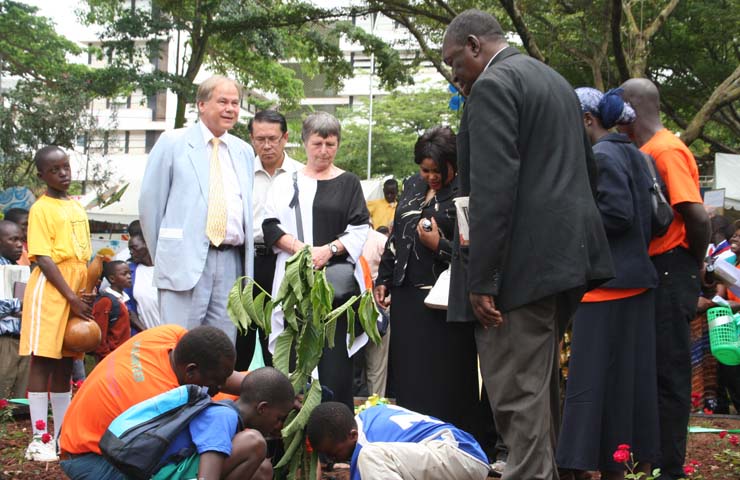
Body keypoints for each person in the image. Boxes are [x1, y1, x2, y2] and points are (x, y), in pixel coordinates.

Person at [441, 10, 614, 479]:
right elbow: (587, 168)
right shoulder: (553, 80)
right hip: (564, 262)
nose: (455, 76)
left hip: (518, 269)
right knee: (538, 394)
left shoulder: (494, 86)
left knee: (517, 395)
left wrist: (483, 277)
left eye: (455, 62)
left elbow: (494, 189)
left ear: (475, 45)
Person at [556, 88, 660, 480]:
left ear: (587, 120)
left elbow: (616, 213)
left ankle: (577, 463)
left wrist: (571, 222)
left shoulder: (602, 155)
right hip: (633, 283)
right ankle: (622, 460)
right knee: (625, 383)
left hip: (605, 288)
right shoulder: (636, 153)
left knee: (586, 381)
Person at [619, 78, 711, 480]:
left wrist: (695, 261)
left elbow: (696, 214)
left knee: (671, 373)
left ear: (631, 108)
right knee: (653, 370)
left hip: (673, 265)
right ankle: (651, 458)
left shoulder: (666, 149)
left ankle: (671, 469)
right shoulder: (645, 150)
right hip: (658, 268)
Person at [374, 126, 479, 434]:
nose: (431, 176)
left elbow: (476, 248)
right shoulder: (411, 186)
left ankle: (451, 443)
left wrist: (439, 247)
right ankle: (414, 444)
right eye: (425, 169)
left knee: (444, 378)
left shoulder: (466, 190)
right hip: (407, 298)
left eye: (438, 171)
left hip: (444, 301)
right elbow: (396, 234)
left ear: (453, 165)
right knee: (410, 376)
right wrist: (385, 277)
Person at [262, 111, 370, 409]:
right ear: (304, 143)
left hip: (336, 291)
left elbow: (360, 227)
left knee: (334, 363)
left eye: (331, 144)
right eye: (318, 143)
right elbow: (270, 226)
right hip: (294, 285)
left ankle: (336, 435)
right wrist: (301, 249)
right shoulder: (285, 183)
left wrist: (329, 250)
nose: (324, 151)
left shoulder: (348, 182)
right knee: (295, 359)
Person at [139, 75, 255, 342]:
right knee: (178, 344)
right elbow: (150, 206)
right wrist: (167, 256)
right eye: (222, 101)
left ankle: (213, 388)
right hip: (183, 261)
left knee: (221, 348)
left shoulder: (244, 151)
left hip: (230, 262)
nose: (230, 109)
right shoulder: (172, 142)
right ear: (201, 104)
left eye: (235, 103)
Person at [59, 325, 253, 479]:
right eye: (215, 383)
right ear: (191, 371)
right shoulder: (160, 398)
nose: (219, 387)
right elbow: (218, 415)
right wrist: (260, 400)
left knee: (257, 466)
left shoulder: (167, 336)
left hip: (82, 440)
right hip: (92, 462)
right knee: (241, 447)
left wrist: (264, 385)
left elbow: (209, 360)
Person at [19, 146, 95, 462]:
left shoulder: (77, 207)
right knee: (44, 360)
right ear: (42, 175)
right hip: (53, 291)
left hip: (76, 292)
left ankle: (62, 435)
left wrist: (88, 291)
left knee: (66, 360)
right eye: (55, 170)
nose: (63, 173)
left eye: (66, 167)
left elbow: (86, 256)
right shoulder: (41, 208)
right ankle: (39, 437)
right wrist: (71, 296)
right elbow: (45, 259)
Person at [235, 110, 303, 371]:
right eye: (260, 139)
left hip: (284, 261)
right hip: (246, 262)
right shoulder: (240, 173)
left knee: (281, 336)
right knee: (241, 335)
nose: (267, 145)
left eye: (273, 139)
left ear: (285, 138)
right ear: (251, 139)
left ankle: (281, 402)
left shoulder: (300, 174)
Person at [151, 366, 295, 480]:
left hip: (180, 472)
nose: (278, 426)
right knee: (254, 442)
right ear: (262, 408)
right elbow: (206, 477)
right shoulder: (224, 417)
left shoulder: (228, 415)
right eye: (279, 418)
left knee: (263, 470)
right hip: (166, 475)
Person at [307, 401, 490, 480]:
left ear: (352, 435)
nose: (335, 460)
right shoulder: (368, 415)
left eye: (334, 453)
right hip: (461, 453)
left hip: (457, 456)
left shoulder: (365, 446)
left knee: (369, 456)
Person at [0, 220, 30, 399]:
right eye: (13, 239)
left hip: (22, 339)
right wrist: (19, 304)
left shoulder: (20, 268)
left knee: (18, 401)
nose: (20, 245)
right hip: (4, 341)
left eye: (21, 239)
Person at [362, 227, 390, 397]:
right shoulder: (380, 240)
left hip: (362, 305)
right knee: (377, 365)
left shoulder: (338, 240)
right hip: (377, 305)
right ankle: (376, 401)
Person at [92, 261, 132, 361]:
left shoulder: (123, 298)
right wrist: (106, 356)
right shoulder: (106, 301)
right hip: (111, 357)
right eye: (124, 274)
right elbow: (99, 334)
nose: (129, 276)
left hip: (122, 353)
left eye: (129, 273)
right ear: (112, 279)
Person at [125, 233, 160, 331]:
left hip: (172, 335)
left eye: (134, 247)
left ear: (148, 244)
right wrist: (145, 333)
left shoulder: (166, 269)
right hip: (144, 336)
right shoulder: (129, 272)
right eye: (129, 249)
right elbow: (128, 308)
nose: (131, 252)